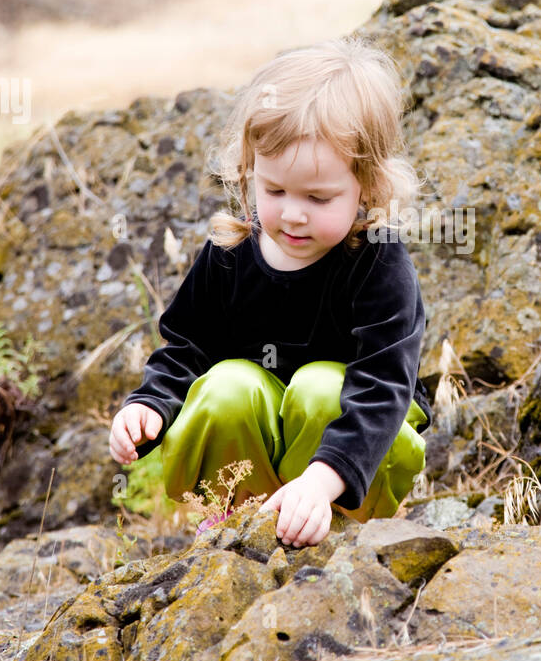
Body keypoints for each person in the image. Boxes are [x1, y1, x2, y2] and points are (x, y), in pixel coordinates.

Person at [108, 36, 433, 550]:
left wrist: (322, 480)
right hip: (255, 451)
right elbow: (187, 349)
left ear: (368, 186)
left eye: (318, 197)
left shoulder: (377, 259)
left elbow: (382, 386)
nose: (293, 213)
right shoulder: (230, 251)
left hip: (354, 463)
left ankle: (332, 521)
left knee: (321, 388)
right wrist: (150, 404)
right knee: (227, 386)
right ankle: (238, 521)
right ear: (248, 172)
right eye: (275, 190)